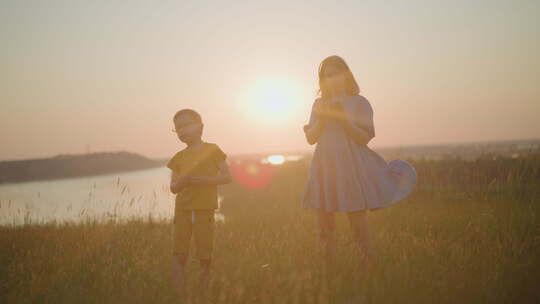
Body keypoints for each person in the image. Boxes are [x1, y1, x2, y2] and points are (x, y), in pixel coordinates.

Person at [302, 55, 417, 273]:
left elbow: (363, 139)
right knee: (325, 227)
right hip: (324, 166)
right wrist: (324, 118)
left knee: (357, 223)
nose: (331, 79)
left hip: (350, 167)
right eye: (326, 75)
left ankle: (367, 267)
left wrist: (343, 118)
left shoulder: (360, 102)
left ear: (346, 75)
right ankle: (328, 270)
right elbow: (311, 138)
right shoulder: (318, 104)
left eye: (335, 73)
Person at [167, 109, 232, 299]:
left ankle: (204, 292)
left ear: (200, 127)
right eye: (178, 127)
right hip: (183, 210)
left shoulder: (213, 150)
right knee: (180, 253)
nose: (182, 130)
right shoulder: (178, 158)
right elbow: (173, 187)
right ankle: (178, 294)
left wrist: (198, 180)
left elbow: (227, 177)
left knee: (205, 255)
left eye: (187, 124)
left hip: (205, 209)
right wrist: (181, 182)